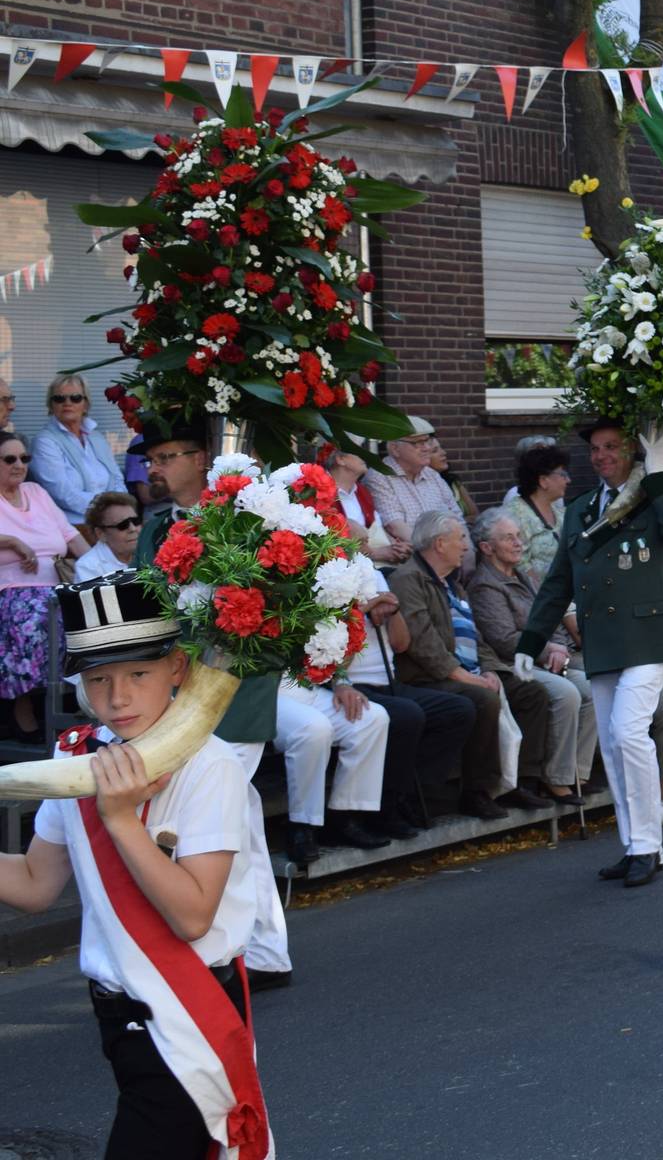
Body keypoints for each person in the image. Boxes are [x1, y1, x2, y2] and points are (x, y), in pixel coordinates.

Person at [0, 575, 270, 1158]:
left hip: (187, 1016)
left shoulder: (211, 766)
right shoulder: (76, 755)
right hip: (117, 1020)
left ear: (178, 668)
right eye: (98, 678)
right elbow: (34, 884)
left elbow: (194, 916)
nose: (117, 697)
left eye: (138, 674)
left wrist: (121, 820)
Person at [134, 421, 293, 989]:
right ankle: (264, 952)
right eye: (151, 458)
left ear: (201, 458)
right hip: (183, 690)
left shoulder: (239, 520)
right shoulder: (156, 530)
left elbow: (266, 602)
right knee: (241, 821)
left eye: (166, 456)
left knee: (215, 820)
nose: (155, 467)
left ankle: (235, 951)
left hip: (236, 689)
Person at [517, 418, 663, 888]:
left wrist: (659, 469)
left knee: (625, 731)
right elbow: (560, 579)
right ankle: (636, 843)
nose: (600, 455)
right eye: (595, 448)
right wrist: (531, 640)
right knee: (615, 746)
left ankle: (645, 844)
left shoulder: (659, 492)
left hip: (649, 634)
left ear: (633, 451)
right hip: (603, 638)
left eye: (611, 446)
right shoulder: (580, 508)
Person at [389, 511, 549, 820]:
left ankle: (522, 781)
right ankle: (477, 792)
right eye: (461, 538)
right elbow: (422, 641)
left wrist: (490, 669)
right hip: (427, 676)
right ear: (439, 543)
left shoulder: (452, 584)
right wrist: (461, 675)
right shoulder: (408, 579)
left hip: (466, 670)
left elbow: (476, 638)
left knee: (531, 692)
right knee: (483, 699)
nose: (466, 546)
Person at [467, 511, 596, 805]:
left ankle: (578, 773)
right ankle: (555, 778)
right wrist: (547, 649)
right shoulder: (485, 586)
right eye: (508, 537)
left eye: (519, 536)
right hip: (512, 662)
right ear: (487, 548)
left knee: (592, 688)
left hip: (547, 657)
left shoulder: (525, 577)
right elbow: (502, 639)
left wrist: (558, 646)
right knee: (566, 693)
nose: (518, 543)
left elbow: (551, 619)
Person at [338, 571, 474, 835]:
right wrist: (364, 607)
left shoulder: (374, 574)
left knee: (458, 710)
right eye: (361, 542)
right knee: (407, 715)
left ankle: (409, 795)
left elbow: (401, 645)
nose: (368, 547)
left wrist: (394, 610)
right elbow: (330, 638)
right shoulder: (336, 580)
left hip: (389, 682)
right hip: (354, 683)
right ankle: (384, 809)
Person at [0, 429, 90, 740]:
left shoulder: (36, 492)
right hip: (11, 591)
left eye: (24, 458)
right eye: (9, 459)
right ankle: (24, 707)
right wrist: (12, 541)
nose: (19, 465)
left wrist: (98, 569)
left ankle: (76, 701)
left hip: (55, 587)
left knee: (84, 613)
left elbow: (69, 535)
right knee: (37, 618)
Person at [274, 670, 392, 863]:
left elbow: (326, 648)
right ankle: (302, 824)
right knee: (315, 728)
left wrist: (342, 683)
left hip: (306, 687)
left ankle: (343, 817)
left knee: (373, 718)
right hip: (265, 694)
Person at [364, 418, 471, 575]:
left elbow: (457, 518)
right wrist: (436, 552)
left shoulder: (433, 475)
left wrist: (465, 550)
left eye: (427, 441)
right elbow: (395, 525)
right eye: (417, 443)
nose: (427, 448)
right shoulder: (380, 477)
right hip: (414, 568)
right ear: (394, 448)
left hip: (448, 559)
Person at [27, 375, 129, 530]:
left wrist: (121, 508)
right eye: (59, 399)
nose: (67, 403)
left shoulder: (97, 437)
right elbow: (63, 494)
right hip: (74, 527)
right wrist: (109, 511)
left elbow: (117, 479)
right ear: (51, 405)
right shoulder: (45, 442)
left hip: (114, 523)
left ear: (86, 404)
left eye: (75, 398)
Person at [502, 444, 573, 587]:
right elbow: (519, 565)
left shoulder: (559, 512)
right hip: (537, 599)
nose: (568, 480)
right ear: (543, 481)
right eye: (563, 475)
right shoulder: (515, 515)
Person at [322, 445, 406, 565]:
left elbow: (375, 527)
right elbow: (326, 540)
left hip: (374, 566)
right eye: (358, 452)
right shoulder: (318, 491)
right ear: (340, 459)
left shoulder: (362, 491)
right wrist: (375, 553)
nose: (365, 456)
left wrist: (397, 548)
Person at [74, 490, 142, 581]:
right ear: (101, 534)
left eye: (135, 521)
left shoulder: (152, 551)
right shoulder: (88, 567)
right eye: (122, 525)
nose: (133, 529)